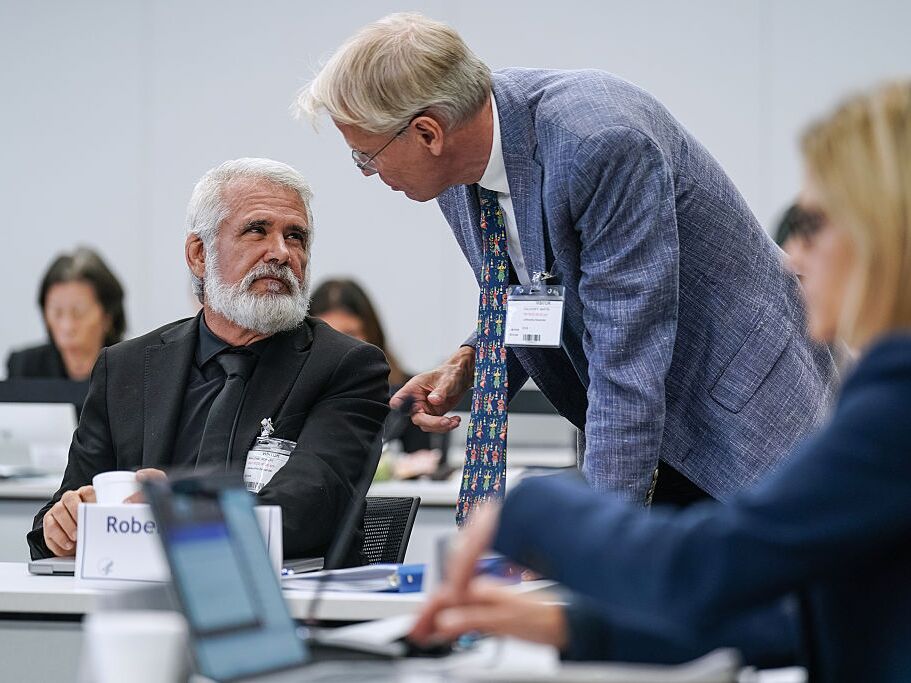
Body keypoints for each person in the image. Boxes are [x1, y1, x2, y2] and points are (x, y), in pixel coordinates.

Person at [411, 82, 911, 681]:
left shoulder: (896, 402)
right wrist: (570, 627)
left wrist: (527, 507)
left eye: (813, 226)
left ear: (886, 237)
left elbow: (705, 567)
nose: (792, 257)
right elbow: (798, 618)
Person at [298, 13, 835, 520]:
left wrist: (595, 536)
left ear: (427, 133)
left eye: (366, 155)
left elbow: (627, 355)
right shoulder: (459, 166)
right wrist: (473, 358)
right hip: (641, 423)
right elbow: (540, 290)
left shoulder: (599, 143)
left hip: (735, 416)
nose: (367, 171)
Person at [27, 158, 390, 565]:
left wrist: (180, 511)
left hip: (287, 595)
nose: (281, 253)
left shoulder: (346, 367)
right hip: (138, 590)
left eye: (296, 237)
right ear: (199, 254)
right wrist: (63, 527)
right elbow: (60, 511)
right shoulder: (126, 367)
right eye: (257, 230)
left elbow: (306, 510)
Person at [310, 278, 448, 455]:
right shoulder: (298, 394)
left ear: (371, 332)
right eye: (328, 335)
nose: (339, 345)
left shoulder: (409, 392)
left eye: (350, 334)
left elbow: (422, 460)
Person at [7, 248, 126, 381]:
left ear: (107, 316)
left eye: (79, 313)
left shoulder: (131, 365)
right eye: (57, 313)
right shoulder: (25, 367)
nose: (67, 326)